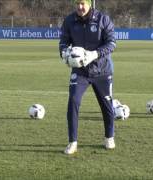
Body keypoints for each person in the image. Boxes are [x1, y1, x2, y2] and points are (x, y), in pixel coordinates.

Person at [59, 0, 116, 155]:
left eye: (83, 3)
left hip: (102, 71)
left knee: (107, 106)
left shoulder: (103, 19)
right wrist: (64, 53)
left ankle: (109, 137)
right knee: (73, 102)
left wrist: (94, 54)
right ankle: (72, 142)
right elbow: (63, 42)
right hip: (80, 71)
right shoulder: (69, 20)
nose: (80, 7)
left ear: (90, 3)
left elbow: (112, 43)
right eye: (77, 3)